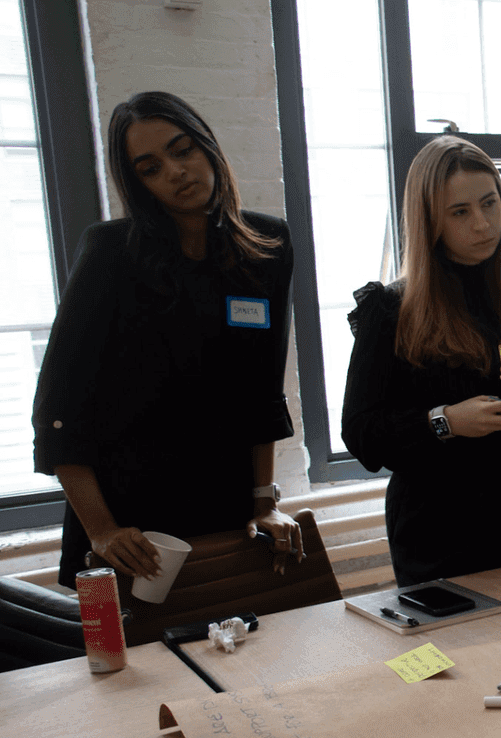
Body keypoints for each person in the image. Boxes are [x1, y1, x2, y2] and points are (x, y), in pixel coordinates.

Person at [32, 91, 301, 591]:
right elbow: (59, 409)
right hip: (129, 523)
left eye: (183, 151)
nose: (176, 172)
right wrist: (102, 530)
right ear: (138, 184)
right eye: (150, 168)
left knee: (246, 656)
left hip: (226, 509)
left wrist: (265, 502)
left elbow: (262, 392)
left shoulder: (267, 245)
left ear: (208, 147)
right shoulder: (110, 253)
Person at [342, 135, 501, 586]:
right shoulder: (390, 313)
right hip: (436, 539)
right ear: (430, 220)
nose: (482, 224)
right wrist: (444, 421)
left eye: (490, 204)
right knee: (458, 658)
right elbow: (361, 435)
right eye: (461, 212)